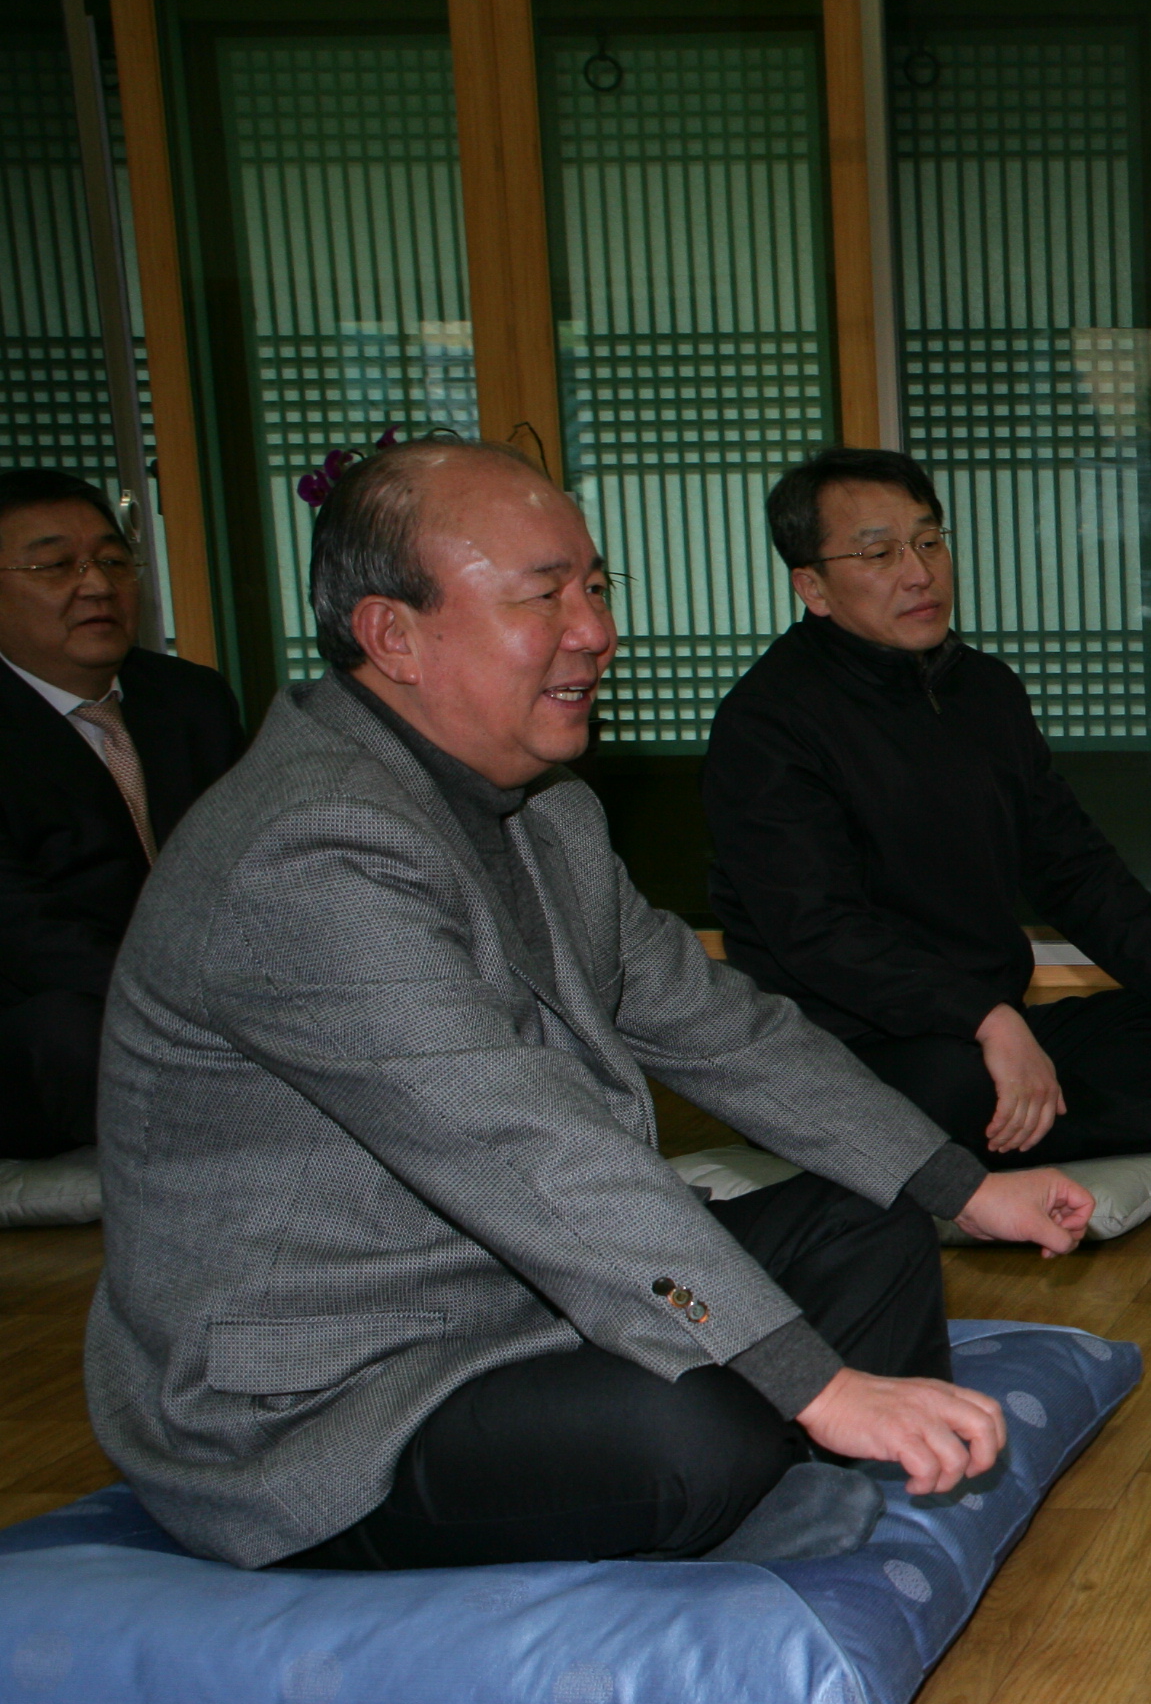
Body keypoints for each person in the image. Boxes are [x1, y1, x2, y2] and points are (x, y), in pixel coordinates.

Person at [88, 439, 1096, 1572]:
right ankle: (783, 1478)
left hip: (512, 1293)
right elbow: (522, 1142)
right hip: (334, 1382)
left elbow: (716, 1023)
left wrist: (962, 1188)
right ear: (393, 636)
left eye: (595, 586)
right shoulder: (307, 852)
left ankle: (801, 1492)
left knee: (870, 1221)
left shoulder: (546, 809)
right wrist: (812, 1382)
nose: (594, 631)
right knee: (695, 1434)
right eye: (542, 597)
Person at [704, 448, 1151, 1171]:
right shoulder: (768, 722)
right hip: (849, 1045)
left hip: (989, 1027)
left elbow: (1070, 862)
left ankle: (1066, 1119)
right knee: (955, 1091)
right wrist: (983, 1019)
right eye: (879, 553)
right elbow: (820, 932)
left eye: (929, 541)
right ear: (814, 587)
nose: (919, 572)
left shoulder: (983, 690)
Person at [0, 470, 241, 1160]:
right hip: (55, 1004)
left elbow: (248, 860)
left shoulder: (190, 699)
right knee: (67, 1034)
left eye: (111, 559)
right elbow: (21, 929)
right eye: (53, 565)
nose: (97, 585)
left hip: (201, 994)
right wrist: (177, 1004)